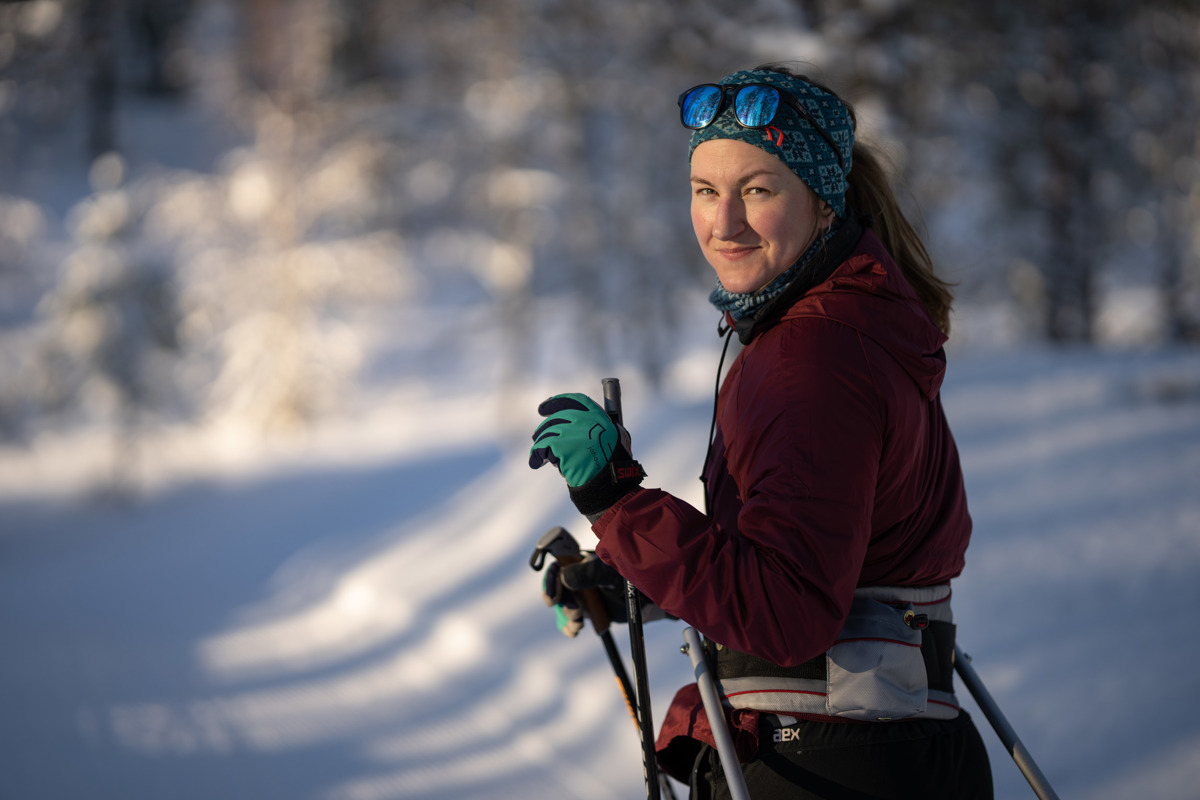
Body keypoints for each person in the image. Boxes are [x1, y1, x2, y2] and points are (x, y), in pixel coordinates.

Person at [530, 64, 994, 799]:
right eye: (706, 192)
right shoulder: (850, 333)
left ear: (821, 199)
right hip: (886, 752)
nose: (724, 223)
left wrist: (616, 500)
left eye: (758, 190)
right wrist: (632, 575)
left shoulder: (812, 361)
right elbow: (833, 566)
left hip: (824, 765)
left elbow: (788, 614)